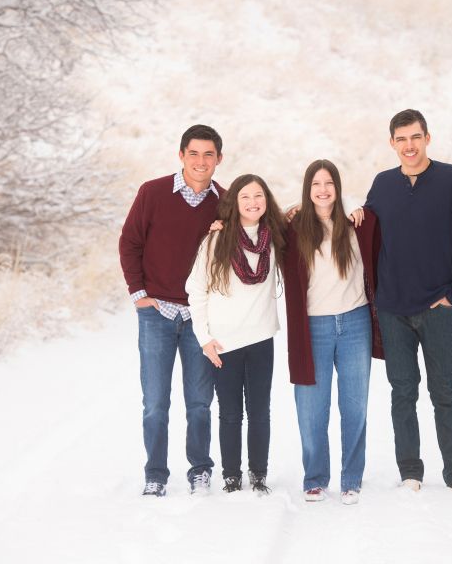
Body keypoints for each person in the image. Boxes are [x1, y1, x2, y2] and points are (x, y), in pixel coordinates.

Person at [363, 109, 452, 495]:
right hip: (393, 309)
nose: (409, 146)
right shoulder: (382, 184)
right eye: (401, 139)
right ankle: (411, 473)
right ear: (392, 143)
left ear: (427, 138)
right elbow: (366, 232)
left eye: (415, 137)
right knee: (403, 393)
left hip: (438, 307)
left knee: (444, 393)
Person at [119, 124, 225, 497]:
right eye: (193, 153)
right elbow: (129, 242)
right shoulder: (152, 192)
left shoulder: (224, 202)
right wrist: (139, 294)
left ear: (219, 159)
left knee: (199, 402)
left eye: (208, 154)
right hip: (157, 314)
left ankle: (200, 469)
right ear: (181, 155)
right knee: (155, 403)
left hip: (200, 318)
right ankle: (156, 474)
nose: (201, 161)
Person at [281, 160, 384, 505]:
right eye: (315, 184)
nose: (323, 190)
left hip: (355, 323)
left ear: (338, 188)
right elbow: (258, 225)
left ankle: (352, 478)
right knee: (311, 408)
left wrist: (358, 209)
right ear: (307, 190)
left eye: (329, 183)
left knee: (355, 406)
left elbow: (383, 218)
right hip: (313, 326)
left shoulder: (356, 225)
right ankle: (315, 478)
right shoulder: (294, 230)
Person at [185, 174, 287, 495]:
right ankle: (231, 476)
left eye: (259, 195)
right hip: (224, 342)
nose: (253, 202)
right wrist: (204, 338)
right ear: (234, 203)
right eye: (245, 197)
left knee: (260, 411)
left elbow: (309, 216)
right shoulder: (216, 240)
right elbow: (196, 290)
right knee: (229, 413)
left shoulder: (276, 238)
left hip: (260, 338)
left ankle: (258, 473)